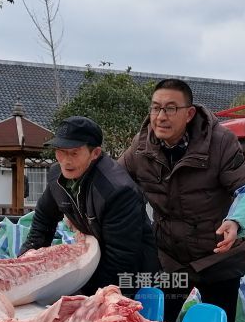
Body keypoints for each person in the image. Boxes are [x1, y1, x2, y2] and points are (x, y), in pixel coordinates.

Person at [119, 78, 245, 322]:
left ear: (189, 113)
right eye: (156, 108)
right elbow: (114, 185)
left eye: (171, 108)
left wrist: (236, 222)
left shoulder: (220, 143)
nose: (161, 116)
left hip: (218, 256)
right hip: (171, 256)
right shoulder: (141, 148)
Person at [20, 116, 159, 295]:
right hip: (95, 260)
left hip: (133, 275)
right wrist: (22, 268)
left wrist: (83, 295)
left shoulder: (117, 190)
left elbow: (121, 257)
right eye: (60, 151)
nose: (66, 161)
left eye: (74, 153)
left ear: (95, 153)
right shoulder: (57, 176)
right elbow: (43, 220)